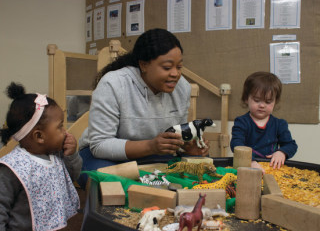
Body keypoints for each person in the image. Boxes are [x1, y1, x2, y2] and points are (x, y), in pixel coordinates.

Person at [78, 28, 209, 188]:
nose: (175, 74)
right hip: (103, 157)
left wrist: (188, 149)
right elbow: (100, 145)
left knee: (194, 173)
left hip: (151, 155)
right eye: (167, 68)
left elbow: (176, 137)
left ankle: (146, 186)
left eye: (179, 67)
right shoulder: (113, 84)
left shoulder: (182, 88)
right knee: (101, 180)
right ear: (144, 65)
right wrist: (151, 146)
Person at [0, 82, 82, 231]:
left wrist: (71, 154)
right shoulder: (12, 169)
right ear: (39, 136)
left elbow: (71, 177)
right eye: (60, 126)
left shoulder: (55, 155)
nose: (65, 131)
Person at [230, 71, 298, 173]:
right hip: (247, 168)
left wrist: (282, 152)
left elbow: (291, 145)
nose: (262, 105)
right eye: (257, 100)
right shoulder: (241, 122)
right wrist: (250, 162)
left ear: (275, 102)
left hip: (271, 170)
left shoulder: (279, 124)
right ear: (246, 99)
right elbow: (236, 144)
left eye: (268, 102)